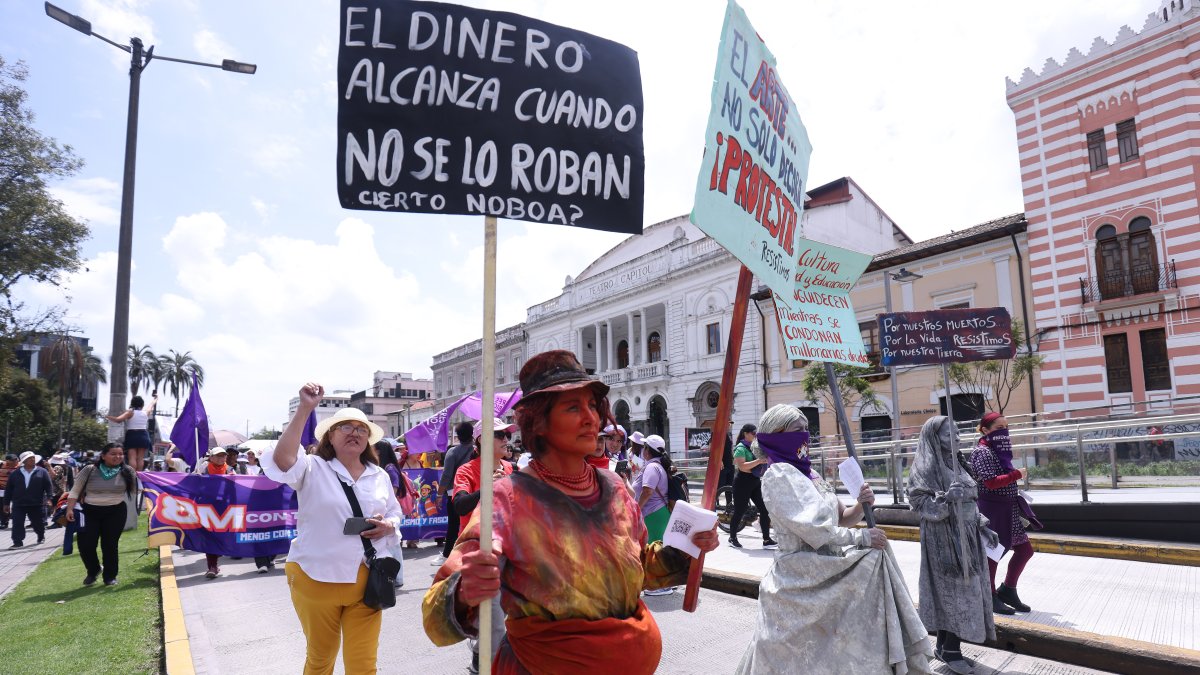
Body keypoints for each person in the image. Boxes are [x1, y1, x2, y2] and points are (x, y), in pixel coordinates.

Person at [423, 350, 719, 674]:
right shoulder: (507, 498)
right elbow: (436, 614)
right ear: (539, 423)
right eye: (573, 407)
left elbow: (640, 566)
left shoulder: (614, 487)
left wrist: (687, 547)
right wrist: (465, 591)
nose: (592, 418)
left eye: (592, 405)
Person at [736, 404, 932, 674]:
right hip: (799, 574)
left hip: (826, 564)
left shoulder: (810, 474)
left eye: (807, 429)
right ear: (777, 434)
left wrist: (862, 505)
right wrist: (862, 537)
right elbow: (816, 531)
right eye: (797, 430)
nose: (805, 435)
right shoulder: (778, 475)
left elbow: (841, 518)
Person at [262, 386, 403, 675]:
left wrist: (388, 525)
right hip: (315, 576)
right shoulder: (312, 467)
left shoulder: (379, 475)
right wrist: (304, 409)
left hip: (367, 579)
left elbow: (395, 512)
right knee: (320, 660)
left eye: (361, 429)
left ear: (368, 439)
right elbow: (282, 461)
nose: (355, 433)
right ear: (330, 436)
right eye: (345, 427)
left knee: (363, 664)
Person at [908, 416, 997, 673]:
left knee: (967, 590)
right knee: (955, 593)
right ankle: (951, 650)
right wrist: (946, 499)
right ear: (934, 438)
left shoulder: (958, 462)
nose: (956, 438)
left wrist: (983, 525)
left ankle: (946, 647)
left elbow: (970, 503)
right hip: (945, 541)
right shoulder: (926, 467)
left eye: (957, 433)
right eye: (949, 435)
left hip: (968, 537)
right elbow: (920, 504)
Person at [971, 412, 1041, 615]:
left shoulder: (999, 451)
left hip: (1008, 507)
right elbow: (990, 482)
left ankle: (1008, 590)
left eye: (1006, 428)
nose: (1004, 432)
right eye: (999, 428)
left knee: (1025, 550)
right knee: (993, 554)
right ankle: (989, 594)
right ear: (985, 430)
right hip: (992, 509)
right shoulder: (982, 452)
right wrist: (1016, 474)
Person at [66, 442, 136, 585]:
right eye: (113, 454)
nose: (118, 456)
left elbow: (137, 490)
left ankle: (110, 577)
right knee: (86, 545)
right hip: (89, 512)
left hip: (116, 512)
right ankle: (94, 570)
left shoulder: (128, 471)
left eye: (120, 454)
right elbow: (75, 490)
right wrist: (70, 509)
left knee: (110, 545)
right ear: (103, 456)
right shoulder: (89, 470)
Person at [452, 418, 517, 531]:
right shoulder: (466, 471)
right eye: (500, 435)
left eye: (507, 435)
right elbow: (460, 506)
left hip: (508, 542)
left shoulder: (513, 468)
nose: (506, 440)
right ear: (482, 440)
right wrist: (488, 488)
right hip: (476, 543)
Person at [728, 423, 774, 549]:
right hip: (742, 482)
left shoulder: (755, 446)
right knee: (740, 511)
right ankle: (732, 537)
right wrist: (759, 461)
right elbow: (742, 467)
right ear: (746, 434)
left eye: (756, 433)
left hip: (755, 481)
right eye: (753, 433)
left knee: (764, 509)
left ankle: (766, 539)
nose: (755, 436)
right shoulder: (740, 448)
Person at [437, 421, 476, 565]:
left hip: (455, 491)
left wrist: (439, 494)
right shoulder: (477, 450)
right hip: (474, 490)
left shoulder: (452, 452)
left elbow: (446, 475)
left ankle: (447, 554)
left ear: (458, 436)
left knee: (453, 524)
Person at [3, 451, 55, 549]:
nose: (33, 459)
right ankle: (17, 542)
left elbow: (48, 486)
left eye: (33, 458)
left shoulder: (42, 471)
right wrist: (6, 504)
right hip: (19, 503)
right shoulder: (15, 473)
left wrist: (49, 498)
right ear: (24, 461)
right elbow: (9, 489)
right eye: (30, 458)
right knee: (17, 523)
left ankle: (40, 536)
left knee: (38, 523)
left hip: (36, 503)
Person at [196, 447, 232, 578]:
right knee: (209, 536)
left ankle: (218, 554)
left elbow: (236, 488)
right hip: (208, 507)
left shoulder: (230, 470)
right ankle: (212, 567)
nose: (221, 458)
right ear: (211, 457)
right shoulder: (203, 469)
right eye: (217, 456)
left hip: (225, 508)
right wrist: (197, 477)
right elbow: (195, 486)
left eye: (223, 456)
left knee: (222, 536)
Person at [105, 393, 157, 472]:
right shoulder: (146, 412)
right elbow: (152, 404)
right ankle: (139, 475)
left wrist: (107, 416)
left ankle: (132, 474)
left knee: (132, 457)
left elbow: (118, 420)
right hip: (143, 435)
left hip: (132, 434)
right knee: (140, 458)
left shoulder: (130, 412)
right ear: (142, 404)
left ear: (132, 403)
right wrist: (156, 397)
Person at [0, 453, 17, 530]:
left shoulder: (19, 465)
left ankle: (17, 521)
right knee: (2, 505)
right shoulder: (1, 465)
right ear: (7, 461)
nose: (14, 462)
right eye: (12, 460)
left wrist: (8, 473)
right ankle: (4, 522)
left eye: (15, 460)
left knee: (16, 505)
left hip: (15, 488)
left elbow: (19, 474)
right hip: (2, 488)